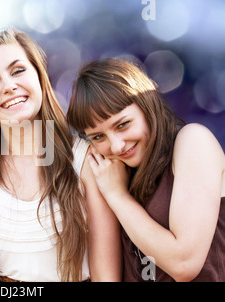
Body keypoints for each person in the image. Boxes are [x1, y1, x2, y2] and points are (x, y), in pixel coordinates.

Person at [0, 28, 121, 282]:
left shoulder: (85, 160)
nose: (9, 86)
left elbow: (107, 277)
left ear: (40, 76)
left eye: (18, 71)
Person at [67, 57, 225, 281]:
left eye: (123, 125)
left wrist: (117, 195)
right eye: (98, 136)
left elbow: (184, 263)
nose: (116, 145)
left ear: (147, 105)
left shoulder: (192, 142)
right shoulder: (110, 171)